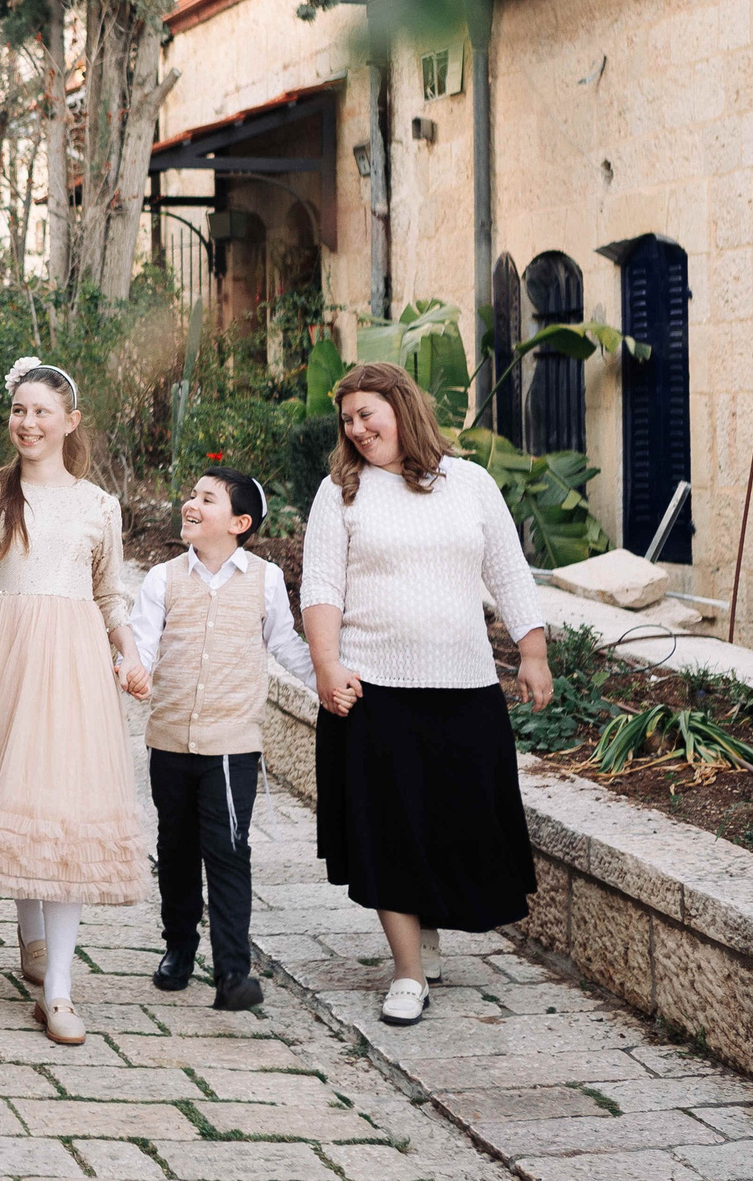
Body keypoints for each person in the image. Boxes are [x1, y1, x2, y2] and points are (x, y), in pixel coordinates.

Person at [301, 360, 554, 1028]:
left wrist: (532, 652)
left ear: (402, 407)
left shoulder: (469, 482)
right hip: (373, 691)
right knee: (389, 832)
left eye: (367, 414)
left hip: (464, 687)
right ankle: (408, 972)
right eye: (347, 420)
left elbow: (509, 571)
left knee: (450, 824)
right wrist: (326, 665)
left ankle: (427, 933)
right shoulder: (341, 492)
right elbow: (321, 585)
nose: (357, 429)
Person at [0, 358, 150, 1047]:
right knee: (18, 793)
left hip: (72, 663)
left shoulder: (98, 505)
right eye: (19, 409)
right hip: (3, 658)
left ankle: (60, 990)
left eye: (42, 411)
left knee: (63, 808)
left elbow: (109, 591)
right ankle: (31, 936)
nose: (28, 422)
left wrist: (129, 654)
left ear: (70, 422)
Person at [128, 469, 315, 1014]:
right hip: (169, 740)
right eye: (191, 495)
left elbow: (285, 644)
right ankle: (179, 946)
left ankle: (233, 970)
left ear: (239, 523)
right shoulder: (163, 578)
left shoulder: (265, 579)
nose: (191, 503)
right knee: (176, 848)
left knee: (229, 850)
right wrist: (132, 670)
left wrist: (326, 681)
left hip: (232, 744)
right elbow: (140, 643)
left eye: (206, 499)